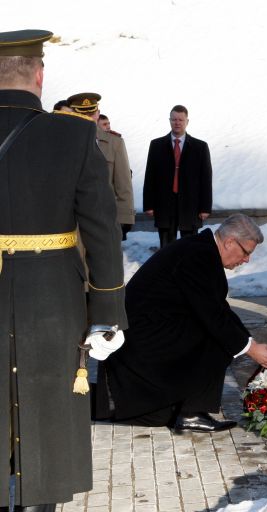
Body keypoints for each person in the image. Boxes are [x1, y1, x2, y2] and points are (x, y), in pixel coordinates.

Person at [0, 29, 127, 510]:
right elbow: (102, 230)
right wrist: (108, 312)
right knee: (48, 414)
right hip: (52, 298)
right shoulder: (73, 134)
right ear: (39, 74)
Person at [98, 214, 267, 432]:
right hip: (140, 343)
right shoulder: (198, 255)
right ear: (230, 242)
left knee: (160, 415)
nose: (246, 260)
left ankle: (177, 409)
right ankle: (192, 412)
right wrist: (250, 348)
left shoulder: (201, 250)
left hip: (151, 334)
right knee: (216, 335)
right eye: (246, 252)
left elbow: (219, 308)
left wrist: (250, 343)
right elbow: (213, 315)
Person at [67, 93, 135, 241]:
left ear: (98, 114)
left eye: (91, 114)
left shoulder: (114, 143)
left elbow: (123, 185)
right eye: (82, 114)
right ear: (73, 114)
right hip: (71, 222)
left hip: (104, 218)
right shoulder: (63, 143)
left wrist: (124, 218)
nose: (87, 118)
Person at [143, 104, 213, 248]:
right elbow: (150, 176)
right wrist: (148, 204)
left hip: (190, 205)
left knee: (189, 246)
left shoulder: (200, 147)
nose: (177, 123)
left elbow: (206, 179)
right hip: (164, 204)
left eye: (181, 120)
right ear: (169, 120)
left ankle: (187, 263)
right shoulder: (156, 145)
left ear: (187, 121)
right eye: (174, 119)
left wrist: (205, 207)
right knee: (167, 248)